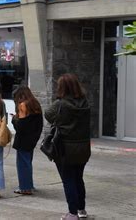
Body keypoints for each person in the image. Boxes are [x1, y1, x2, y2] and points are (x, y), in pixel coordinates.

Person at [45, 74, 91, 220]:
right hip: (83, 148)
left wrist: (60, 121)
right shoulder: (85, 103)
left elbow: (48, 114)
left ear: (62, 88)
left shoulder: (60, 104)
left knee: (68, 180)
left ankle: (72, 213)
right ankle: (81, 210)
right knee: (78, 178)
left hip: (65, 148)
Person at [11, 86, 43, 195]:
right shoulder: (35, 104)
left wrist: (14, 119)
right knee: (28, 162)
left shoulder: (23, 105)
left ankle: (25, 187)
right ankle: (29, 185)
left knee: (22, 163)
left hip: (23, 139)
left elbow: (21, 126)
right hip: (32, 139)